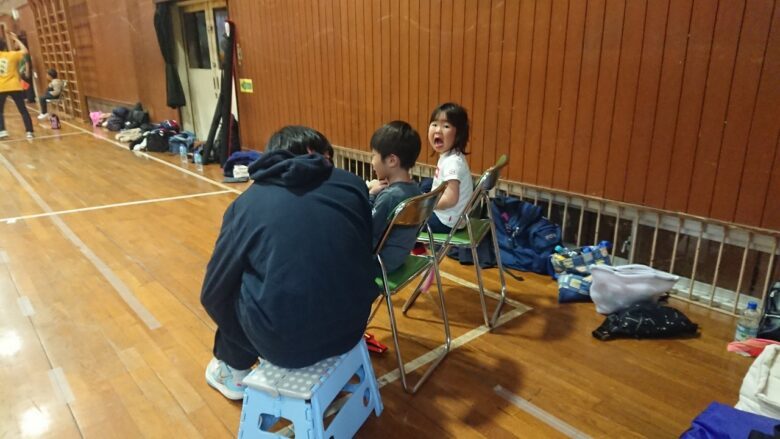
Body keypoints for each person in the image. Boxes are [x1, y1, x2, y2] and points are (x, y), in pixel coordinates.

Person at [200, 125, 378, 400]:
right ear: (314, 152)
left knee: (234, 284)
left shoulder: (247, 205)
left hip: (284, 350)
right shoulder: (353, 184)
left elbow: (212, 294)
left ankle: (233, 370)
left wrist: (249, 342)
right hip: (353, 328)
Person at [367, 121, 422, 273]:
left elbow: (368, 232)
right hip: (399, 258)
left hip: (380, 264)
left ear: (392, 160)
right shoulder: (415, 190)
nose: (372, 162)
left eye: (373, 155)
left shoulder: (390, 197)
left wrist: (370, 195)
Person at [427, 102, 473, 233]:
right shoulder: (449, 155)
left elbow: (451, 199)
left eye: (446, 126)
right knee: (424, 185)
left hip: (446, 221)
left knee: (403, 221)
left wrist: (426, 205)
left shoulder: (453, 163)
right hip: (450, 216)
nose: (438, 130)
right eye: (434, 124)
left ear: (458, 134)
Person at [0, 32, 34, 139]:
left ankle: (2, 131)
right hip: (14, 86)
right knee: (23, 110)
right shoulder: (12, 55)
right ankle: (29, 132)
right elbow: (25, 51)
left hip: (1, 88)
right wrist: (16, 39)